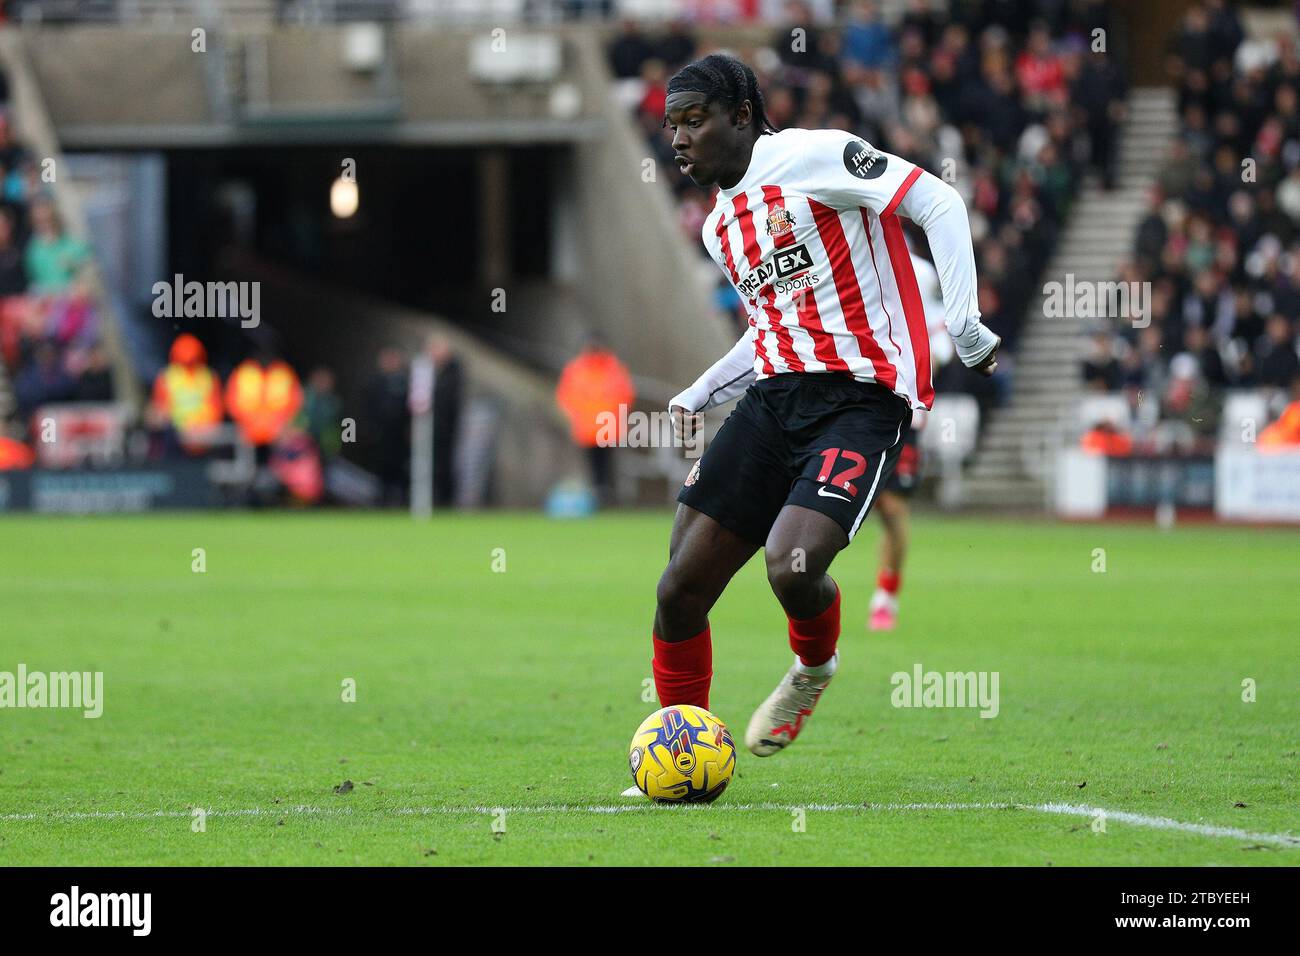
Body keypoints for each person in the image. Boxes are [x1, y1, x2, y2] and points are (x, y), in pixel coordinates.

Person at [651, 54, 999, 764]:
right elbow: (772, 327)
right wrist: (702, 387)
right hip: (774, 398)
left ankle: (814, 667)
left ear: (741, 116)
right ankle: (682, 756)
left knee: (793, 564)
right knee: (680, 585)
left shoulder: (815, 155)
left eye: (694, 120)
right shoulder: (721, 227)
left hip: (860, 401)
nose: (679, 140)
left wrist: (963, 322)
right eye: (671, 126)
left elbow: (938, 200)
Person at [555, 334, 635, 506]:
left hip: (604, 428)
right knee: (597, 468)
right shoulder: (582, 369)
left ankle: (605, 499)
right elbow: (566, 397)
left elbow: (623, 396)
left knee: (604, 468)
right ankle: (599, 499)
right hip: (591, 429)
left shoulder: (609, 369)